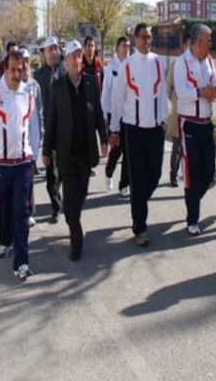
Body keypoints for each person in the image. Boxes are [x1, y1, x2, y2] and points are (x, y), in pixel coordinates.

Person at [43, 40, 108, 261]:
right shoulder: (59, 86)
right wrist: (45, 151)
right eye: (73, 56)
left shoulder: (90, 83)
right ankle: (76, 238)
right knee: (70, 199)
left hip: (86, 151)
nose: (77, 60)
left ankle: (73, 220)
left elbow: (98, 113)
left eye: (80, 56)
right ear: (67, 59)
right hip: (66, 152)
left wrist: (104, 139)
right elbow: (51, 120)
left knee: (80, 195)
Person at [0, 50, 41, 280]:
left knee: (21, 211)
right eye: (13, 70)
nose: (17, 74)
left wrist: (34, 154)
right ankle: (4, 241)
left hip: (23, 162)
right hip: (3, 164)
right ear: (6, 69)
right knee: (4, 209)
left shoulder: (28, 93)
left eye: (21, 70)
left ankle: (22, 262)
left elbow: (34, 126)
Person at [109, 23, 167, 247]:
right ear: (135, 39)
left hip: (154, 129)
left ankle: (138, 202)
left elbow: (162, 94)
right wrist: (115, 129)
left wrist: (162, 118)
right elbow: (118, 99)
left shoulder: (158, 62)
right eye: (143, 37)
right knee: (138, 178)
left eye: (150, 37)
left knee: (154, 175)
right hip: (133, 130)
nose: (147, 41)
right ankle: (139, 227)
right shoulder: (126, 66)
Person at [173, 24, 216, 236]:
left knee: (209, 171)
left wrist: (215, 91)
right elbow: (182, 92)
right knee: (192, 173)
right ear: (199, 42)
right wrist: (202, 92)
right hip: (189, 124)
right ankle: (193, 218)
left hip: (206, 124)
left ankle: (192, 200)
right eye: (209, 40)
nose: (212, 44)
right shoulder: (182, 63)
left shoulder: (210, 61)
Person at [33, 36, 66, 222]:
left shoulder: (65, 72)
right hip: (47, 130)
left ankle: (58, 195)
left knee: (62, 170)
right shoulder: (37, 76)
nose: (53, 53)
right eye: (50, 50)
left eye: (56, 49)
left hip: (65, 128)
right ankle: (55, 206)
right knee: (51, 171)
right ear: (44, 54)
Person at [102, 35, 131, 195]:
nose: (127, 49)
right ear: (118, 48)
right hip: (114, 115)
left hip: (128, 115)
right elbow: (105, 94)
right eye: (124, 46)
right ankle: (108, 172)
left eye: (128, 46)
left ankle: (124, 184)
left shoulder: (132, 66)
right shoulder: (111, 67)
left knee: (128, 152)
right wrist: (104, 116)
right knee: (116, 151)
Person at [19, 48, 44, 227]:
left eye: (28, 60)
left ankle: (29, 210)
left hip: (31, 137)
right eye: (23, 61)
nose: (25, 64)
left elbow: (39, 112)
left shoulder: (34, 86)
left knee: (29, 174)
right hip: (14, 139)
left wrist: (41, 134)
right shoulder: (10, 84)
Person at [166, 34, 190, 188]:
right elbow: (169, 87)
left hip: (190, 114)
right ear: (184, 46)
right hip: (178, 112)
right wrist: (175, 100)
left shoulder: (196, 65)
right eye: (188, 45)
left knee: (186, 147)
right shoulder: (176, 65)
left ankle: (186, 175)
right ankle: (173, 175)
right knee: (176, 147)